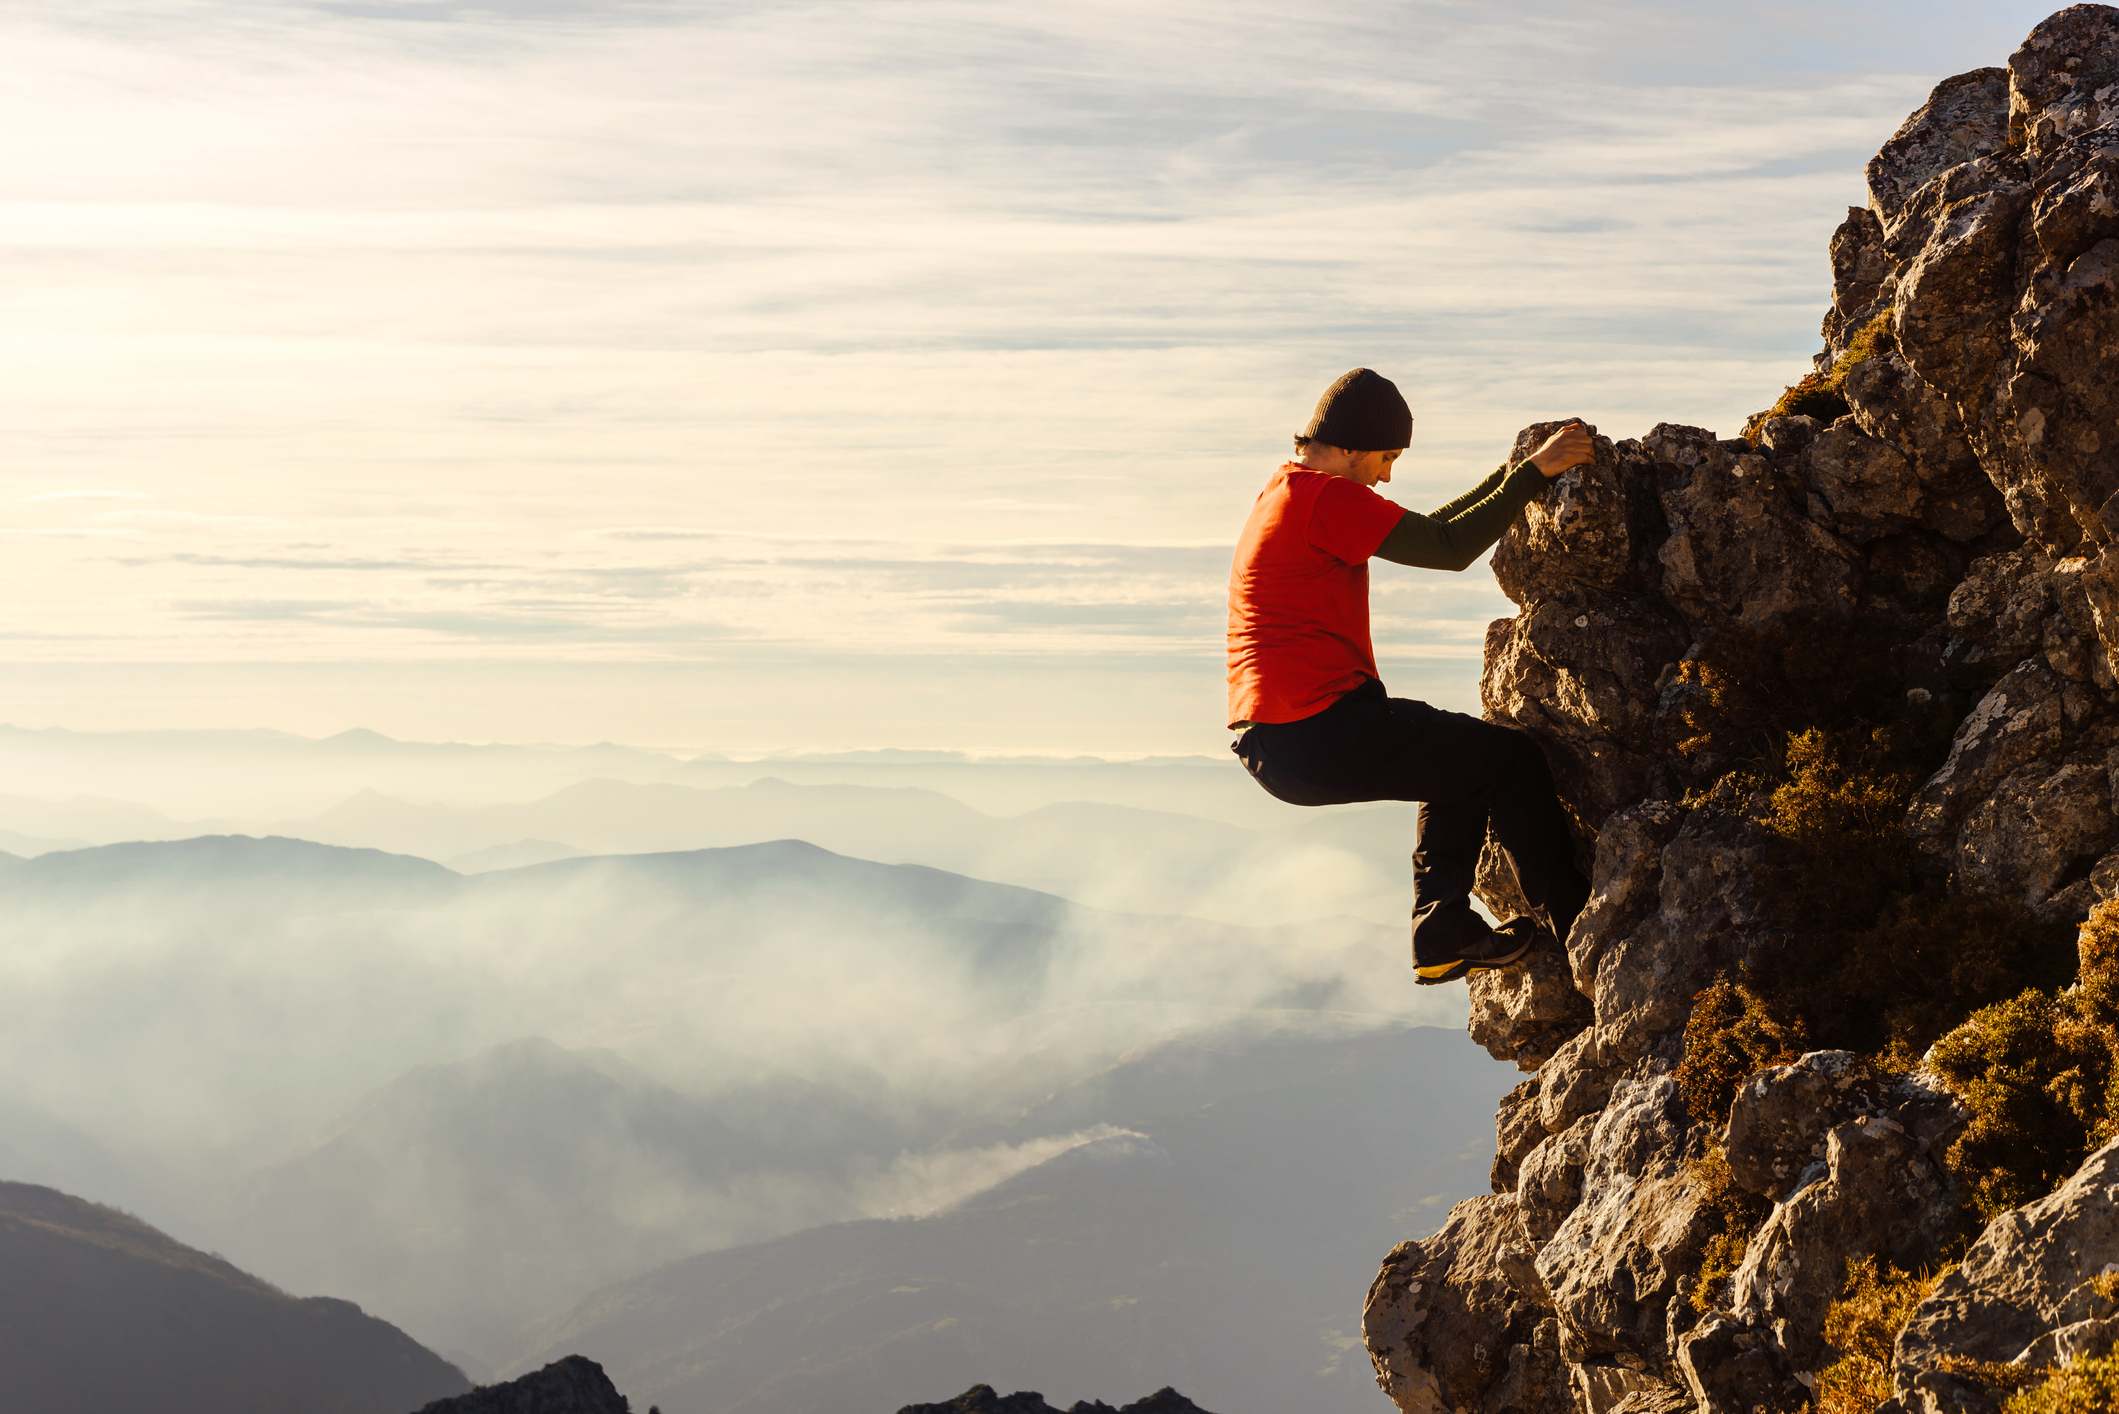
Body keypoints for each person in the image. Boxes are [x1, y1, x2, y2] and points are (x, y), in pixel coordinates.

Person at [1226, 367, 1595, 985]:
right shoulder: (1324, 497)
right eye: (1385, 457)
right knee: (1510, 761)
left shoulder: (1287, 492)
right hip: (1317, 728)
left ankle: (1443, 929)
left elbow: (1433, 530)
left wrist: (1520, 474)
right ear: (1349, 447)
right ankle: (1583, 925)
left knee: (1457, 761)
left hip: (1278, 740)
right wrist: (1534, 475)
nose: (1387, 474)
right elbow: (1450, 549)